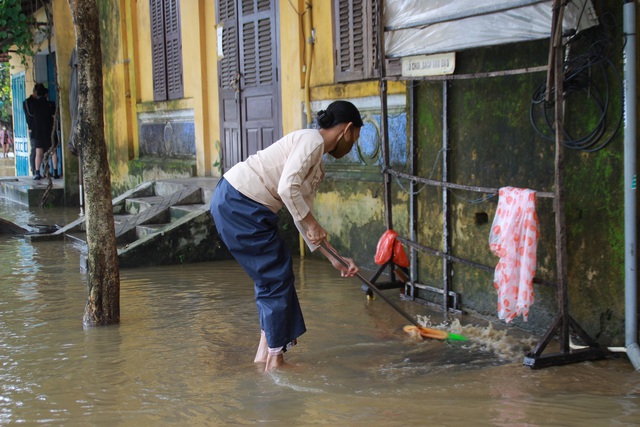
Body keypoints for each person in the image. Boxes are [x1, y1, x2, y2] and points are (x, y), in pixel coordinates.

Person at [210, 100, 363, 371]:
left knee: (271, 277)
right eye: (356, 137)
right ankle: (276, 362)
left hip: (240, 203)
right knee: (276, 276)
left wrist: (334, 258)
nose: (353, 145)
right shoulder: (312, 141)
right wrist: (312, 224)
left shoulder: (316, 162)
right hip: (240, 203)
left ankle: (264, 357)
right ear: (347, 129)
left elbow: (301, 213)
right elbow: (287, 188)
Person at [30, 84, 59, 180]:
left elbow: (31, 115)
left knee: (39, 152)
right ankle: (55, 172)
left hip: (38, 131)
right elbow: (54, 116)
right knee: (53, 152)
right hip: (49, 130)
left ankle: (37, 173)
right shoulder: (51, 104)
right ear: (46, 95)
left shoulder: (34, 105)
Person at [23, 83, 43, 175]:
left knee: (42, 149)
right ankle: (34, 170)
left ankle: (42, 169)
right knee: (35, 149)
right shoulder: (28, 102)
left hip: (42, 128)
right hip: (33, 128)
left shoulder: (40, 102)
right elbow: (31, 114)